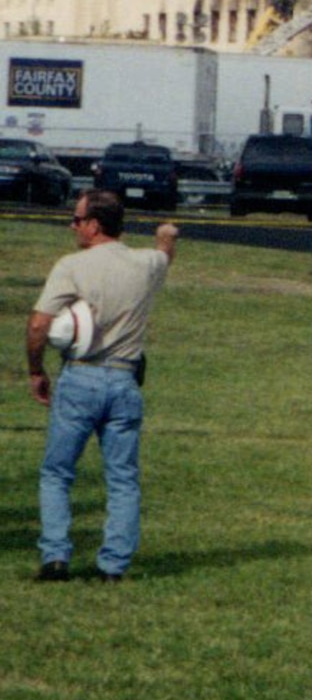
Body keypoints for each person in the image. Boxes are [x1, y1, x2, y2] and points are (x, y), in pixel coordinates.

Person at [25, 189, 177, 583]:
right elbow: (165, 254)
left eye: (76, 219)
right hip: (125, 379)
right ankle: (113, 566)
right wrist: (166, 234)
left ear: (94, 225)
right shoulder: (146, 263)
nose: (72, 225)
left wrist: (36, 370)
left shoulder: (72, 265)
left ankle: (55, 557)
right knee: (123, 478)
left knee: (57, 473)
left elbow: (40, 323)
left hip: (81, 376)